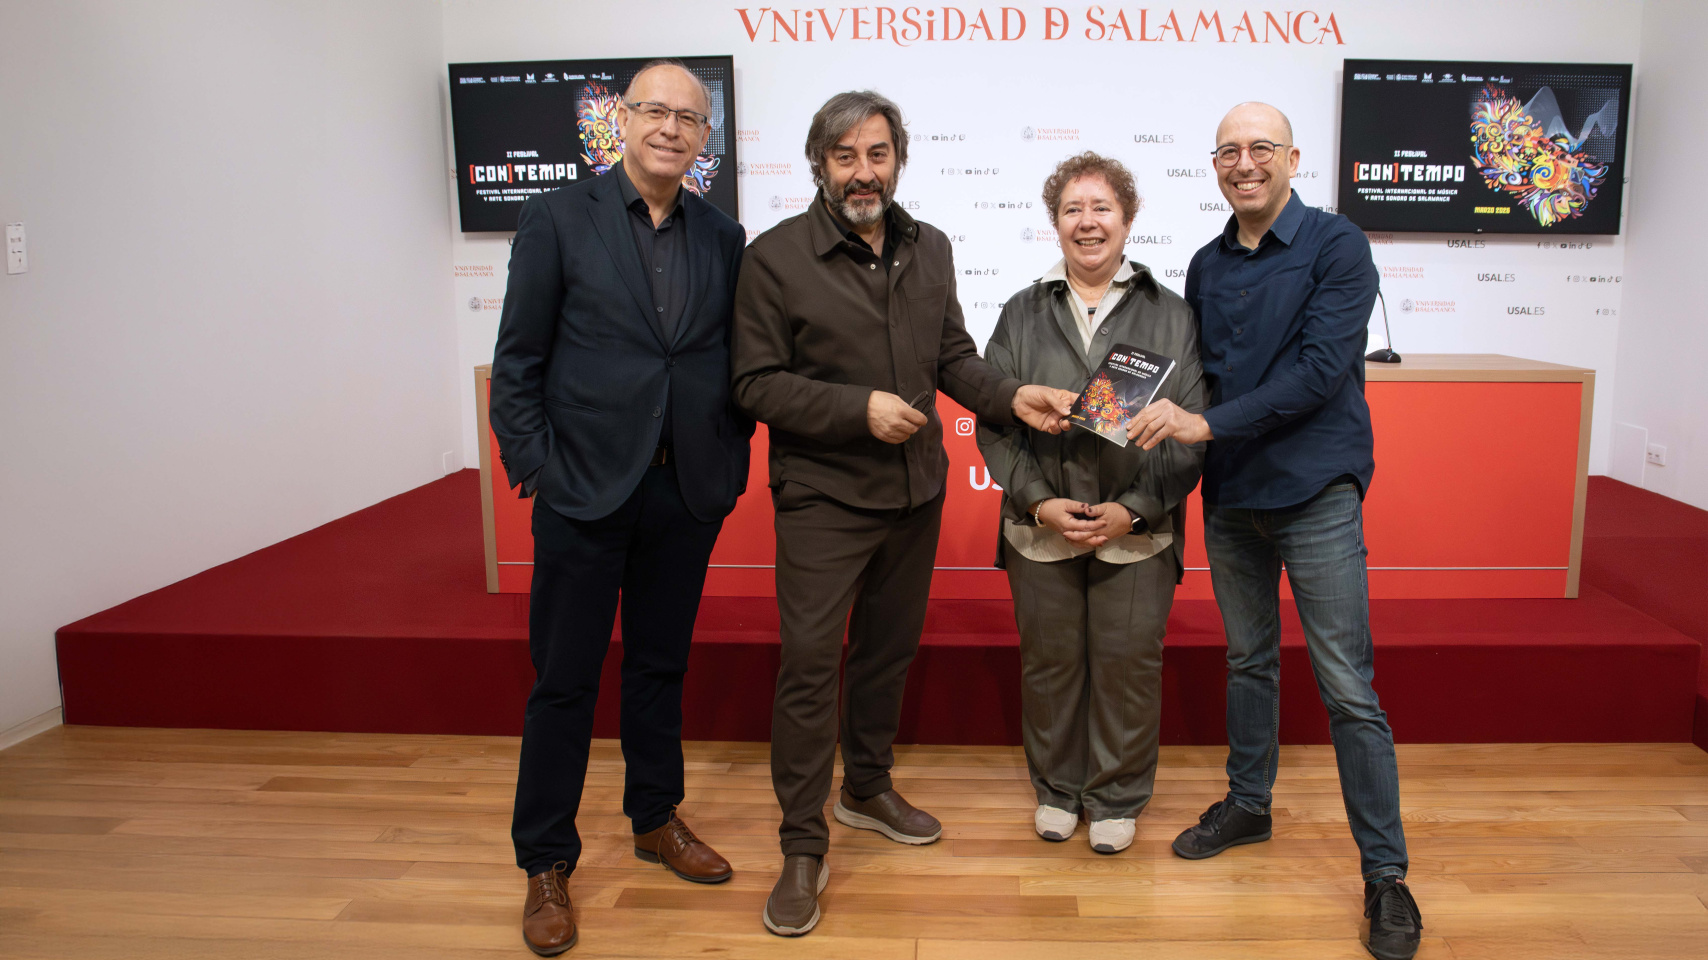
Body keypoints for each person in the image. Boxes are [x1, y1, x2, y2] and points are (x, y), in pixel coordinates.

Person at [731, 89, 1076, 937]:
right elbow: (754, 382)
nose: (863, 171)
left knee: (886, 656)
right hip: (822, 498)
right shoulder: (774, 259)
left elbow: (951, 355)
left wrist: (1010, 394)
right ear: (818, 164)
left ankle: (867, 789)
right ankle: (802, 846)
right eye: (845, 156)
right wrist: (859, 411)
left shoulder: (932, 249)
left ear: (898, 160)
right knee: (812, 668)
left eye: (877, 153)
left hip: (915, 492)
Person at [1127, 102, 1424, 960]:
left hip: (1316, 491)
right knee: (1248, 660)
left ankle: (1386, 876)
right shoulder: (1204, 263)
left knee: (1347, 688)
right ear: (1214, 166)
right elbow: (1197, 376)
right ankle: (1248, 805)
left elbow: (1324, 372)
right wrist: (1109, 412)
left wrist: (1203, 428)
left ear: (1292, 158)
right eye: (1229, 151)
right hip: (1232, 497)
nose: (1245, 163)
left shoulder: (1338, 246)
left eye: (1261, 148)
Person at [488, 60, 751, 956]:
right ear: (622, 122)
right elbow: (517, 361)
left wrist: (728, 465)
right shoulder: (560, 217)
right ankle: (546, 862)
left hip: (684, 493)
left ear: (704, 139)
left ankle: (654, 818)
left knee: (658, 669)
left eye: (690, 117)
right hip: (583, 492)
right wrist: (536, 469)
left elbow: (728, 365)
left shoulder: (724, 236)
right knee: (563, 682)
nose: (672, 128)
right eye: (656, 111)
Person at [977, 151, 1205, 855]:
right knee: (1049, 664)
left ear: (1128, 220)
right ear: (1054, 223)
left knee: (1127, 664)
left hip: (1137, 534)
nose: (1087, 222)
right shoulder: (1020, 311)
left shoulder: (1172, 314)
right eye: (1072, 209)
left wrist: (1134, 508)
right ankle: (1056, 790)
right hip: (1040, 530)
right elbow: (994, 420)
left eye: (1101, 208)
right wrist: (1039, 500)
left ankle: (1114, 796)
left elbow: (1192, 431)